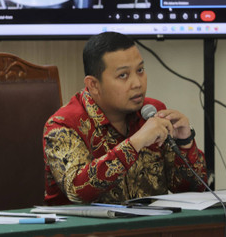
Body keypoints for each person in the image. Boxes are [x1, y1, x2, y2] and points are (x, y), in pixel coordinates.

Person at [43, 31, 207, 205]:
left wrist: (185, 142)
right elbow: (78, 191)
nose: (137, 83)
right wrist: (136, 143)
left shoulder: (153, 113)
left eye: (140, 70)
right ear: (94, 85)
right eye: (123, 75)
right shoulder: (63, 125)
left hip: (150, 228)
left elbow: (192, 190)